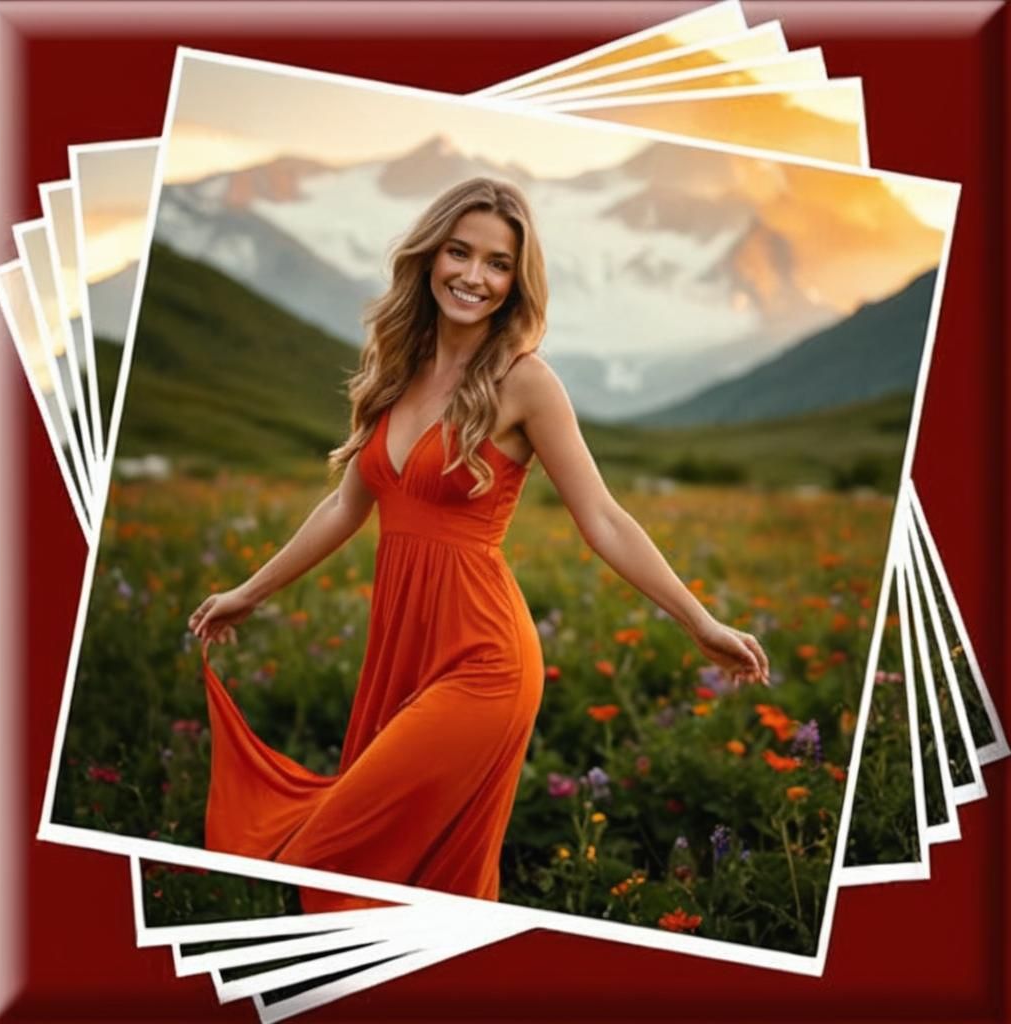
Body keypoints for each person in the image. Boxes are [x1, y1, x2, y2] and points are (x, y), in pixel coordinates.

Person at [188, 177, 770, 914]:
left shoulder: (526, 383)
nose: (474, 276)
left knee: (330, 850)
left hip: (485, 663)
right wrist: (249, 592)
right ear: (429, 257)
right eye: (459, 252)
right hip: (403, 651)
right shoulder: (395, 370)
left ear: (516, 283)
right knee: (410, 884)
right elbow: (343, 507)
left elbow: (603, 518)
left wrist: (700, 621)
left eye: (498, 264)